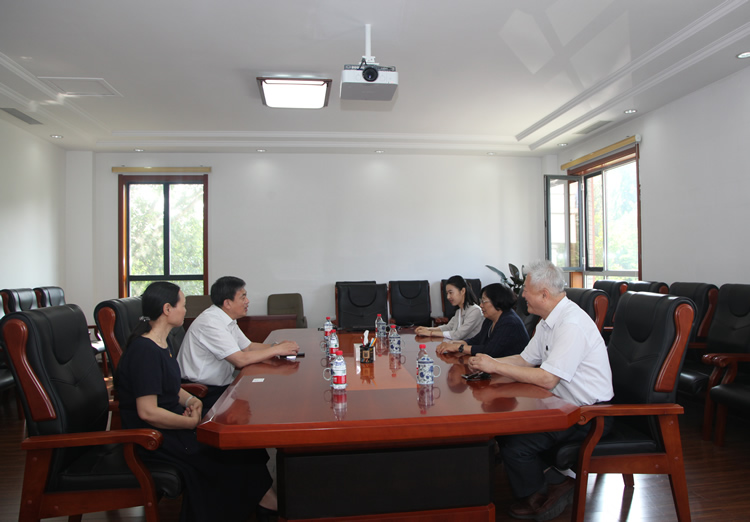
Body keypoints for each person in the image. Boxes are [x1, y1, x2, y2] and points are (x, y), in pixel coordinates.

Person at [115, 282, 277, 522]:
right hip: (156, 437)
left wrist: (191, 399)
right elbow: (148, 412)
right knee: (232, 454)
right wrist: (190, 424)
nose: (186, 310)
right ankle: (265, 504)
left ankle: (264, 502)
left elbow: (170, 387)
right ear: (167, 309)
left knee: (242, 447)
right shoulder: (144, 351)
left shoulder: (161, 344)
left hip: (172, 426)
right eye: (183, 305)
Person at [467, 260, 613, 521]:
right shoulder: (547, 321)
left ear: (544, 294)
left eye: (526, 291)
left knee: (515, 445)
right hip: (559, 406)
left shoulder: (571, 324)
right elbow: (524, 360)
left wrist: (495, 365)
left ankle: (540, 494)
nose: (522, 295)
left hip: (587, 414)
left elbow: (547, 379)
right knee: (506, 431)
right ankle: (554, 479)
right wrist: (487, 363)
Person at [177, 276, 299, 411]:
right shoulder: (210, 323)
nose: (247, 301)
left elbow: (248, 347)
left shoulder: (227, 318)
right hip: (202, 391)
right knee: (263, 403)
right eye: (243, 297)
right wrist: (276, 350)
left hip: (220, 385)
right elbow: (240, 360)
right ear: (227, 303)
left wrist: (276, 346)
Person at [436, 283, 529, 358]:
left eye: (484, 301)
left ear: (497, 301)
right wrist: (453, 343)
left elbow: (489, 351)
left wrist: (458, 348)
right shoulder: (490, 319)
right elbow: (477, 340)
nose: (481, 305)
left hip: (513, 371)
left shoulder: (509, 322)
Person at [415, 275, 482, 340]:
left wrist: (430, 333)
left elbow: (458, 335)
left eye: (451, 293)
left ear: (462, 291)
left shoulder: (475, 311)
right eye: (447, 293)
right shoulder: (459, 311)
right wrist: (427, 329)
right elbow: (448, 327)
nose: (448, 297)